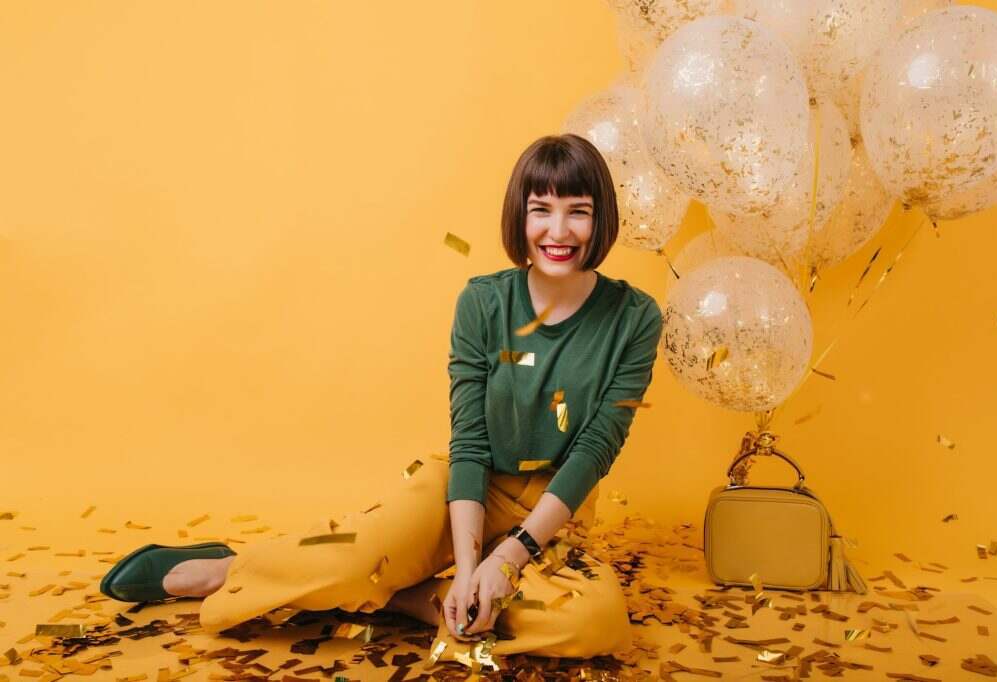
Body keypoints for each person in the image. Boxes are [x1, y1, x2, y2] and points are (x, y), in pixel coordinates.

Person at [99, 133, 663, 662]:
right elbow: (468, 440)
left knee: (594, 623)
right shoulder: (483, 302)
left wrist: (508, 559)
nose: (558, 231)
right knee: (350, 559)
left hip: (553, 514)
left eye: (578, 211)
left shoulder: (635, 318)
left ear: (600, 219)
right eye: (541, 209)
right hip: (466, 488)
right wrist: (470, 567)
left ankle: (403, 595)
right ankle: (230, 568)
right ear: (520, 215)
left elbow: (595, 447)